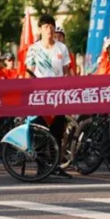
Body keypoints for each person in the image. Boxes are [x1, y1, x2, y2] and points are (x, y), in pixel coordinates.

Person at [25, 14, 72, 179]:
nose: (49, 30)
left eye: (51, 26)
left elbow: (66, 72)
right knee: (40, 131)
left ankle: (55, 165)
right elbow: (28, 72)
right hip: (39, 95)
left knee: (57, 131)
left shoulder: (62, 48)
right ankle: (42, 166)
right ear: (40, 29)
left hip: (57, 95)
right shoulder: (34, 49)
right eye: (46, 27)